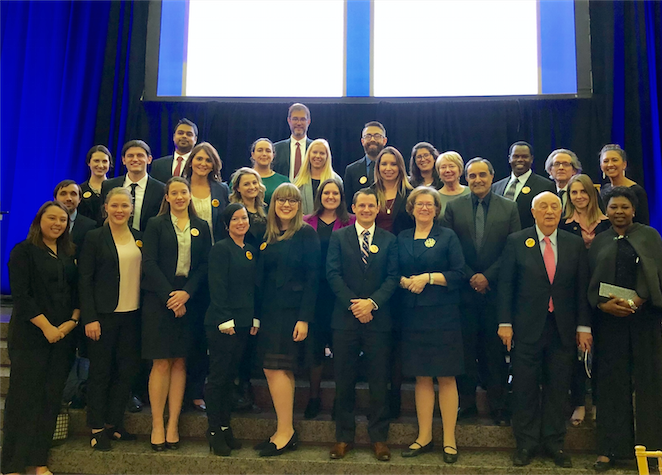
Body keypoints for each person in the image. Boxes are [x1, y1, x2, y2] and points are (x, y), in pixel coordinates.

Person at [497, 192, 592, 468]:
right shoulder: (517, 241)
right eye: (543, 207)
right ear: (533, 211)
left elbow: (581, 288)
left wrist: (584, 326)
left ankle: (554, 443)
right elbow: (506, 286)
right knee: (525, 387)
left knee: (557, 387)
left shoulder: (574, 244)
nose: (549, 211)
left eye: (554, 207)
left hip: (562, 328)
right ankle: (525, 443)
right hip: (526, 327)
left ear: (561, 212)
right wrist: (505, 323)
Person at [588, 186, 662, 472]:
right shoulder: (599, 241)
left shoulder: (650, 236)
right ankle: (609, 450)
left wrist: (638, 299)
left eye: (624, 207)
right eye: (613, 207)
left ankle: (652, 452)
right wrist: (603, 305)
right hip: (610, 322)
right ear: (605, 211)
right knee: (611, 386)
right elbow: (592, 283)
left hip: (644, 320)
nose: (619, 212)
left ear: (633, 210)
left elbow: (657, 274)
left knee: (649, 385)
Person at [2, 201, 80, 475]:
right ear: (39, 220)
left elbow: (76, 291)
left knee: (50, 400)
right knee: (24, 400)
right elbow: (22, 296)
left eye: (63, 220)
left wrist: (70, 323)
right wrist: (47, 327)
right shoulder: (23, 251)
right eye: (52, 218)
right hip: (31, 337)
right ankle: (12, 464)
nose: (58, 224)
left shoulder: (69, 253)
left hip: (63, 339)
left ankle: (38, 461)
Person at [444, 158, 520, 425]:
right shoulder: (454, 208)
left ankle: (498, 406)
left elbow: (512, 249)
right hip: (463, 291)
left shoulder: (509, 208)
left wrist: (487, 276)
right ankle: (467, 405)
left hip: (495, 291)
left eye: (482, 175)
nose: (477, 180)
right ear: (466, 178)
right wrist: (470, 276)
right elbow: (449, 247)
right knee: (465, 349)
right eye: (472, 176)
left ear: (492, 176)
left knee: (495, 352)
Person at [327, 188, 399, 462]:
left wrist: (372, 303)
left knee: (379, 380)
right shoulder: (338, 237)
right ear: (354, 208)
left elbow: (393, 277)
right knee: (343, 380)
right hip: (345, 320)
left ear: (378, 208)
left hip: (378, 319)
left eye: (372, 205)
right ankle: (344, 437)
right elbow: (332, 274)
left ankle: (379, 438)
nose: (367, 210)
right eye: (362, 205)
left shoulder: (389, 240)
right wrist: (355, 305)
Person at [141, 177, 212, 451]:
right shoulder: (155, 224)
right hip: (160, 300)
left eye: (184, 192)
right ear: (167, 197)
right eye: (175, 193)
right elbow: (149, 262)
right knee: (161, 362)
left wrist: (186, 294)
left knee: (180, 362)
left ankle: (173, 425)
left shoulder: (201, 227)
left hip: (189, 300)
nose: (180, 196)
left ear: (190, 195)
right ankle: (158, 424)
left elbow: (205, 265)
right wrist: (170, 296)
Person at [398, 187, 465, 464]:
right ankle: (424, 436)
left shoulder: (447, 236)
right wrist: (404, 281)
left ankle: (449, 439)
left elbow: (459, 274)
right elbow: (393, 271)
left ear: (437, 210)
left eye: (429, 204)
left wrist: (428, 277)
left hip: (443, 315)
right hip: (412, 316)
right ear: (411, 208)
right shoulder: (401, 238)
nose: (424, 208)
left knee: (446, 376)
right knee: (421, 377)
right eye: (419, 204)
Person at [253, 183, 320, 456]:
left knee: (276, 368)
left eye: (292, 201)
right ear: (273, 203)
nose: (286, 205)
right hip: (269, 311)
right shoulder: (264, 232)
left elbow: (314, 280)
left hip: (292, 313)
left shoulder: (307, 234)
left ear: (298, 205)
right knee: (278, 369)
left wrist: (304, 318)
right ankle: (284, 430)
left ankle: (285, 431)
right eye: (281, 200)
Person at [78, 188, 142, 451]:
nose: (119, 210)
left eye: (124, 206)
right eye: (114, 205)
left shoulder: (140, 238)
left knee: (126, 372)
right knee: (101, 372)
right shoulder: (94, 237)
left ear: (131, 208)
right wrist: (89, 318)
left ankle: (113, 424)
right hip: (102, 318)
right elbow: (84, 280)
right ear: (105, 207)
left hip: (133, 316)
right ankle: (95, 427)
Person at [205, 203, 260, 456]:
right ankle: (214, 430)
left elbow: (253, 288)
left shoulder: (249, 250)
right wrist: (225, 319)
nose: (241, 222)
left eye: (244, 218)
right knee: (218, 378)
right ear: (226, 225)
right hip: (223, 324)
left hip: (243, 323)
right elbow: (217, 287)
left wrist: (254, 318)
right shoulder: (220, 249)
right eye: (235, 219)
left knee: (230, 378)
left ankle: (226, 426)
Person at [302, 178, 356, 419]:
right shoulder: (306, 222)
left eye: (335, 193)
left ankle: (340, 402)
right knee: (315, 348)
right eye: (327, 193)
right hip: (314, 293)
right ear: (320, 196)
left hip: (341, 293)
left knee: (341, 350)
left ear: (341, 196)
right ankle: (314, 398)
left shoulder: (351, 222)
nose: (331, 197)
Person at [559, 174, 610, 427]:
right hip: (573, 295)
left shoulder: (608, 223)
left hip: (603, 296)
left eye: (583, 192)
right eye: (573, 193)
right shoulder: (563, 224)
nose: (579, 197)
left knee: (602, 352)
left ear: (592, 194)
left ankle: (600, 404)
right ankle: (578, 403)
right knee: (575, 354)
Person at [100, 140, 165, 232]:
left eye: (140, 155)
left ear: (149, 159)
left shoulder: (161, 189)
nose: (135, 159)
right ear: (123, 160)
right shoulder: (109, 185)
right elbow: (102, 217)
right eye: (130, 156)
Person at [492, 141, 556, 229]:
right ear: (509, 159)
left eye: (525, 156)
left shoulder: (545, 186)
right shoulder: (495, 187)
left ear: (532, 159)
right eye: (516, 156)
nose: (520, 160)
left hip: (528, 240)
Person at [182, 141, 230, 243]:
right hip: (185, 246)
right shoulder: (180, 188)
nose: (203, 164)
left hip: (215, 249)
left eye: (208, 160)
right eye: (199, 159)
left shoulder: (222, 189)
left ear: (213, 165)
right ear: (190, 162)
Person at [598, 144, 650, 225]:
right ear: (601, 166)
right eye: (606, 161)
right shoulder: (604, 190)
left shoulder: (637, 191)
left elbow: (643, 224)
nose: (610, 164)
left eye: (614, 160)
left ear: (624, 164)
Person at [344, 121, 388, 212]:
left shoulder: (393, 169)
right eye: (368, 136)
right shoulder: (351, 170)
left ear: (384, 141)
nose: (372, 139)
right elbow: (347, 205)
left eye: (377, 136)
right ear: (362, 141)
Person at [372, 146, 414, 237]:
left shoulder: (411, 194)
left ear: (400, 167)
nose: (388, 168)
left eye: (393, 164)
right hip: (376, 247)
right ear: (378, 167)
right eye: (384, 164)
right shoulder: (370, 193)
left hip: (404, 246)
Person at [293, 138, 343, 215]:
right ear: (309, 154)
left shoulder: (336, 180)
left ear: (327, 156)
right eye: (315, 152)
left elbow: (341, 208)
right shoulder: (298, 181)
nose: (318, 156)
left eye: (322, 153)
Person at [53, 179, 97, 256]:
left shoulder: (91, 226)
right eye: (63, 194)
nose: (68, 198)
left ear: (79, 199)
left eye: (73, 194)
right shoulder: (44, 222)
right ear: (55, 199)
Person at [150, 118, 199, 184]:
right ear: (174, 137)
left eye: (189, 134)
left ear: (195, 140)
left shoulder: (199, 165)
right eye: (180, 133)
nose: (184, 136)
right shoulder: (158, 165)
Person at [273, 104, 313, 180]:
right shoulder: (276, 148)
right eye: (295, 119)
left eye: (302, 119)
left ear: (308, 122)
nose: (299, 123)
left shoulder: (315, 148)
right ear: (289, 121)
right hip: (283, 191)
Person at [229, 167, 268, 248]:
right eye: (246, 184)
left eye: (254, 183)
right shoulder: (233, 211)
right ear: (238, 188)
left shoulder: (264, 209)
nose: (252, 187)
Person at [250, 138, 289, 205]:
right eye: (260, 150)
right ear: (253, 155)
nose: (264, 154)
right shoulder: (241, 178)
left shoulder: (283, 181)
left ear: (273, 155)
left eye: (268, 151)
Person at [79, 145, 112, 222]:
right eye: (96, 161)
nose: (100, 165)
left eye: (104, 161)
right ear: (88, 162)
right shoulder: (80, 190)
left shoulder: (116, 188)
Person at [436, 151, 470, 215]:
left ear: (460, 170)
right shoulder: (435, 197)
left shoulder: (471, 192)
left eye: (451, 166)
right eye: (443, 167)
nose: (447, 170)